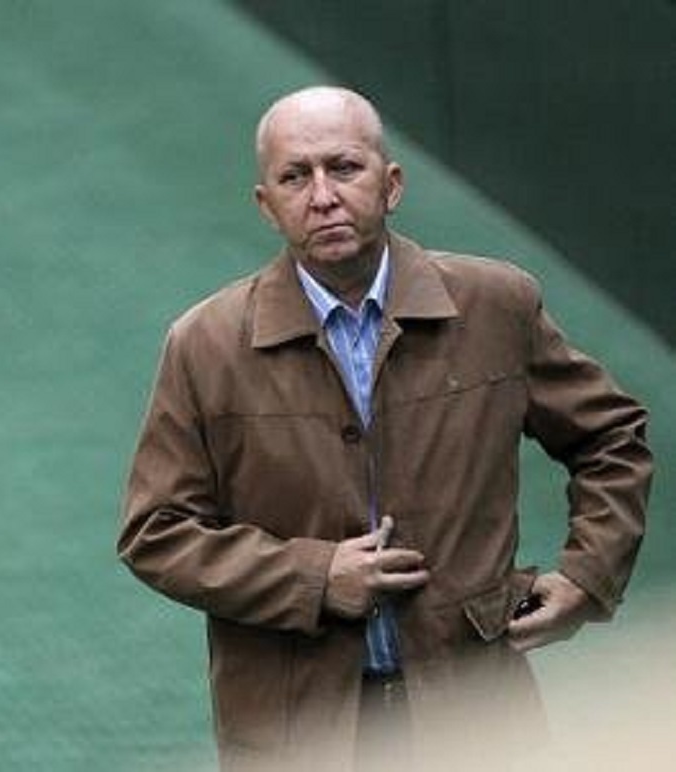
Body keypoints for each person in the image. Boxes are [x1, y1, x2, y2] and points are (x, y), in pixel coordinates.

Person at [117, 86, 651, 771]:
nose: (323, 196)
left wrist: (589, 576)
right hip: (299, 735)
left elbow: (610, 439)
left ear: (391, 184)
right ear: (266, 205)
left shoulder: (496, 306)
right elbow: (156, 532)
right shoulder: (205, 345)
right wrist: (314, 577)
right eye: (295, 177)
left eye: (344, 168)